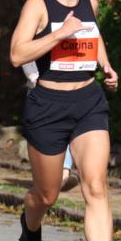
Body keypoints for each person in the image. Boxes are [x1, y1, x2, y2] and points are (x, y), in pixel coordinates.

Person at [9, 0, 121, 241]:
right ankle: (31, 226)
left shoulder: (91, 4)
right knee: (48, 193)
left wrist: (105, 65)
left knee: (96, 185)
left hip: (89, 101)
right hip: (48, 105)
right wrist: (58, 33)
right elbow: (16, 53)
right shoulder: (38, 6)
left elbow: (93, 36)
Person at [22, 62, 79, 192]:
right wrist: (34, 78)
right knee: (40, 137)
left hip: (64, 88)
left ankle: (64, 175)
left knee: (67, 130)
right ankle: (42, 179)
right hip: (40, 88)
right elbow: (25, 58)